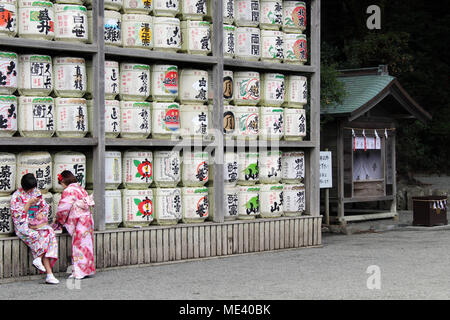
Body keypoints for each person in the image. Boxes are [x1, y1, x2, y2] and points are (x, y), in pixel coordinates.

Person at [10, 173, 59, 284]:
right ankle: (49, 274)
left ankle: (39, 261)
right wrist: (28, 204)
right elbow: (17, 217)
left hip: (36, 223)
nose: (32, 191)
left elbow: (44, 206)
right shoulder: (16, 196)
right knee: (38, 236)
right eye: (30, 190)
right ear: (24, 187)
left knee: (50, 232)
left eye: (33, 189)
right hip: (24, 225)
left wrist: (41, 214)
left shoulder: (36, 192)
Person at [52, 170, 95, 280]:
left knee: (78, 245)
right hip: (87, 218)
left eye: (61, 183)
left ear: (63, 182)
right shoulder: (81, 188)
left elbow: (63, 209)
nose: (61, 186)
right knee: (87, 245)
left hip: (79, 220)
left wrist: (58, 220)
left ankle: (79, 272)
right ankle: (87, 270)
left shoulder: (68, 190)